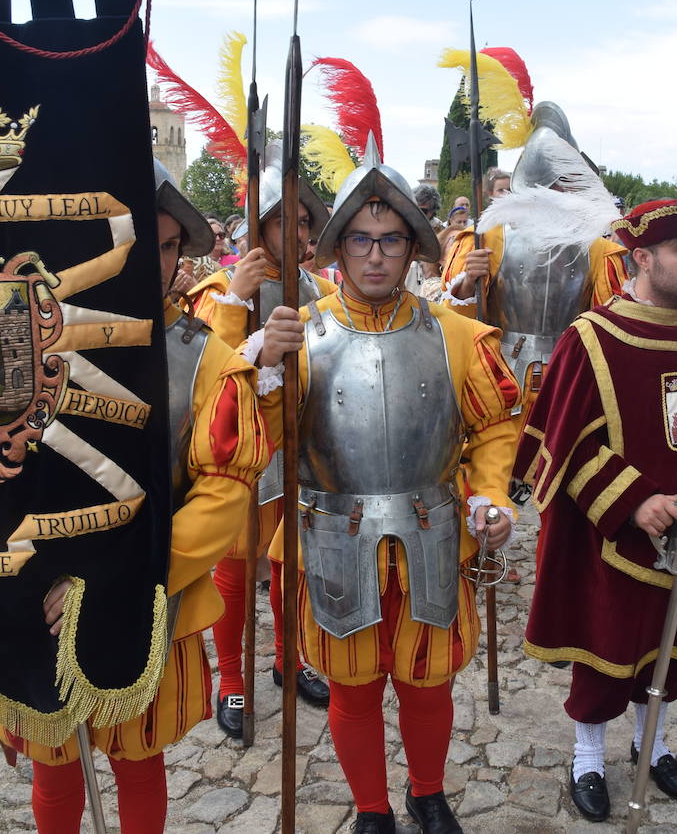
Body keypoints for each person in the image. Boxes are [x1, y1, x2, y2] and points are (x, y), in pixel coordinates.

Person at [0, 159, 268, 834]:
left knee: (139, 762)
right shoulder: (14, 339)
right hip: (39, 599)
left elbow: (222, 493)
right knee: (55, 764)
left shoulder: (209, 361)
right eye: (139, 235)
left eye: (170, 242)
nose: (156, 255)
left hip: (146, 600)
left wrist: (121, 580)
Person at [253, 139, 518, 834]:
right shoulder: (301, 335)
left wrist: (491, 494)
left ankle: (428, 792)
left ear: (411, 246)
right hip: (334, 537)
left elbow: (495, 425)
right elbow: (267, 441)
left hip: (431, 532)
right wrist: (268, 372)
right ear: (339, 248)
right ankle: (372, 807)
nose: (376, 255)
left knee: (428, 682)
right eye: (362, 239)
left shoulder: (456, 334)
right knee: (354, 684)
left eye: (391, 239)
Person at [515, 198, 677, 822]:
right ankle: (589, 757)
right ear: (644, 257)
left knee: (671, 645)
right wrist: (634, 499)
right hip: (618, 535)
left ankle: (651, 744)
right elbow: (563, 439)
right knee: (607, 646)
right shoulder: (593, 338)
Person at [187, 154, 335, 740]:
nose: (297, 233)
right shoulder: (219, 291)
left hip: (299, 456)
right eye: (284, 221)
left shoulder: (322, 290)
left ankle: (287, 658)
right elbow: (207, 378)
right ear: (259, 221)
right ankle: (232, 680)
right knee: (232, 570)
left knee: (287, 568)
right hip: (237, 459)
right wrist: (232, 305)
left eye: (305, 222)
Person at [442, 102, 626, 421]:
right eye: (563, 177)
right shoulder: (487, 237)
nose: (569, 187)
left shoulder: (598, 249)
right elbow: (456, 325)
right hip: (500, 376)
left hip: (570, 376)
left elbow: (608, 328)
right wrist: (469, 283)